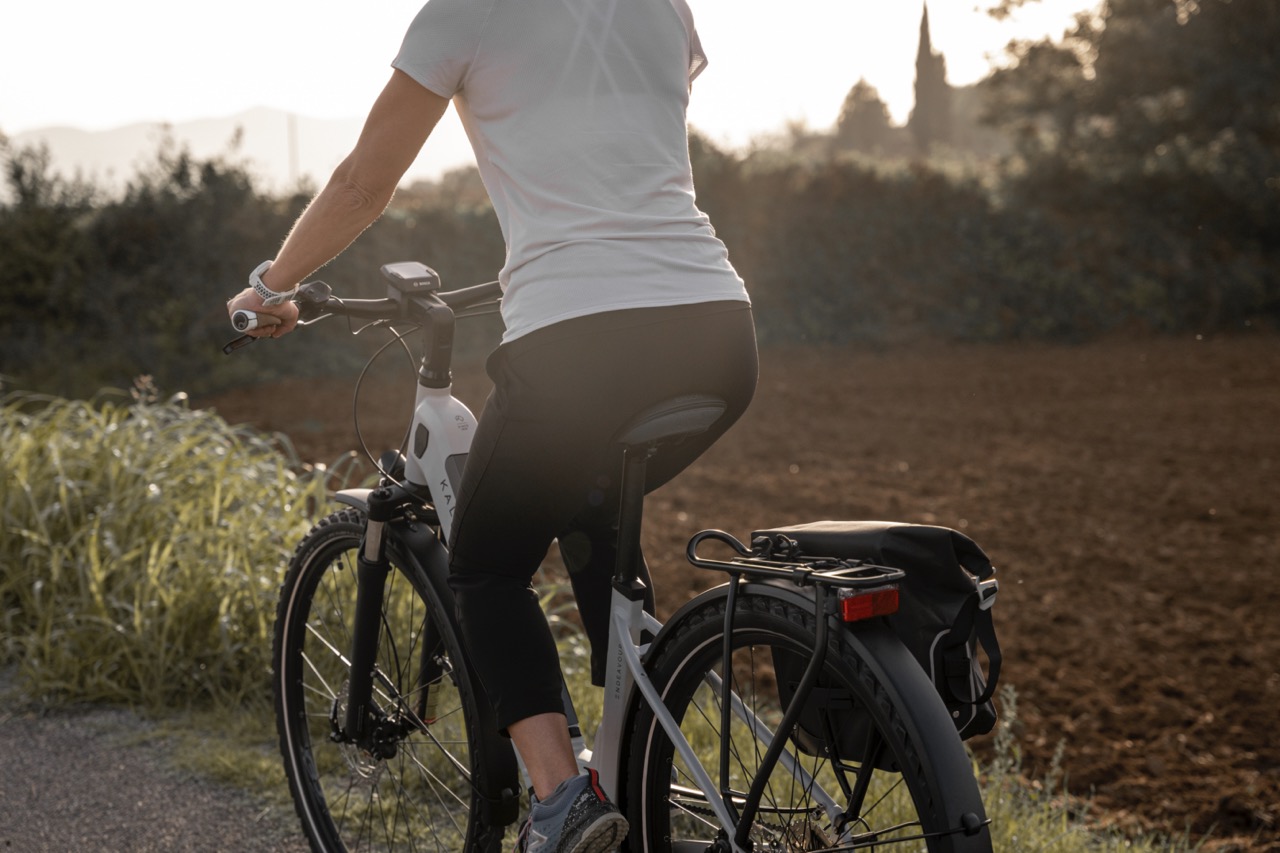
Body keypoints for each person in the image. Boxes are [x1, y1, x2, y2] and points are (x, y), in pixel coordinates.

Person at [225, 0, 757, 850]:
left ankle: (561, 805)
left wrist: (272, 282)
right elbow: (646, 102)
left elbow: (364, 181)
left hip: (579, 336)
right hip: (719, 334)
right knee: (586, 504)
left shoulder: (463, 11)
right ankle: (644, 771)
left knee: (484, 566)